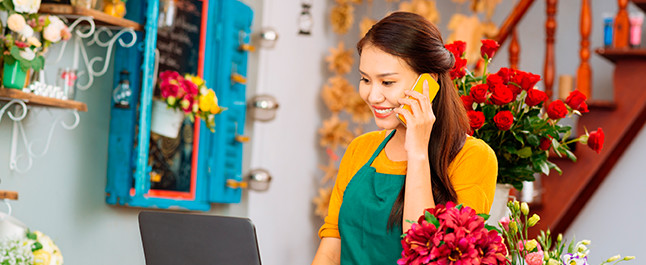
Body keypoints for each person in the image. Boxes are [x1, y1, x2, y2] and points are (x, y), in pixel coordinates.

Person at [311, 12, 498, 265]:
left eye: (387, 82)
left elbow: (427, 254)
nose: (373, 96)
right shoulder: (360, 149)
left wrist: (418, 150)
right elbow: (332, 246)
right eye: (365, 79)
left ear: (428, 83)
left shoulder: (473, 158)